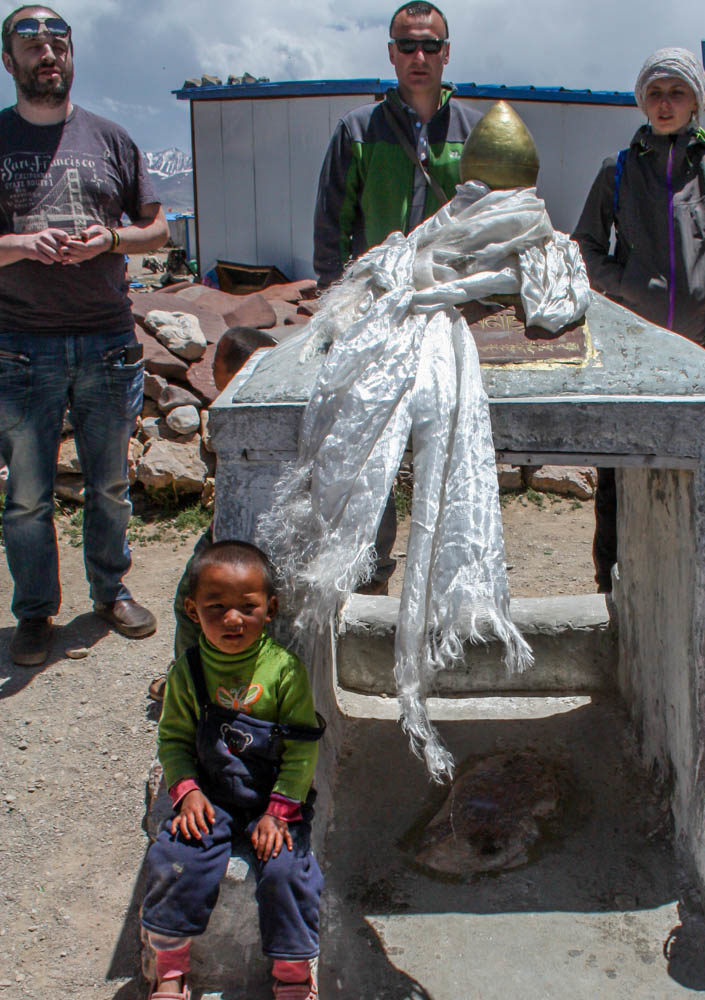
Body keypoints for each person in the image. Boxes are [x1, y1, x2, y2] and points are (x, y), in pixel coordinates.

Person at [0, 5, 168, 666]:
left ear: (71, 56)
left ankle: (110, 592)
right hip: (21, 344)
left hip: (105, 339)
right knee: (27, 495)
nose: (48, 54)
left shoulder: (112, 139)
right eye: (32, 43)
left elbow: (157, 229)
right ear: (8, 60)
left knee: (108, 486)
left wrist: (113, 237)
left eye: (59, 43)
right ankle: (36, 613)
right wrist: (20, 243)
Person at [312, 1, 482, 595]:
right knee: (369, 446)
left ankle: (442, 583)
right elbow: (332, 226)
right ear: (390, 53)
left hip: (448, 314)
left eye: (429, 45)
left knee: (449, 446)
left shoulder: (475, 130)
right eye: (406, 45)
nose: (418, 56)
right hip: (376, 314)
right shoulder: (358, 130)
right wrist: (337, 311)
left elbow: (493, 227)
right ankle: (369, 576)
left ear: (446, 52)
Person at [572, 47, 705, 593]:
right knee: (618, 477)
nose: (665, 103)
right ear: (642, 101)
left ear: (696, 101)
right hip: (630, 350)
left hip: (697, 349)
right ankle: (611, 585)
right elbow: (585, 247)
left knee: (693, 465)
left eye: (676, 93)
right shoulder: (618, 170)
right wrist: (626, 287)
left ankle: (684, 582)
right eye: (655, 93)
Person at [141, 541, 324, 1000]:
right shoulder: (188, 672)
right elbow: (175, 739)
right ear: (192, 608)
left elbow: (302, 752)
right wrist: (186, 791)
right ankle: (167, 969)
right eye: (216, 607)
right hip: (213, 794)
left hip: (272, 796)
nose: (233, 619)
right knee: (176, 859)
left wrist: (280, 811)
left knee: (289, 872)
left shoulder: (284, 671)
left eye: (248, 607)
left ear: (270, 608)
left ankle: (294, 974)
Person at [145, 326, 279, 702]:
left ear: (229, 370)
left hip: (235, 537)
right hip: (261, 532)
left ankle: (188, 685)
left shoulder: (234, 409)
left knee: (192, 602)